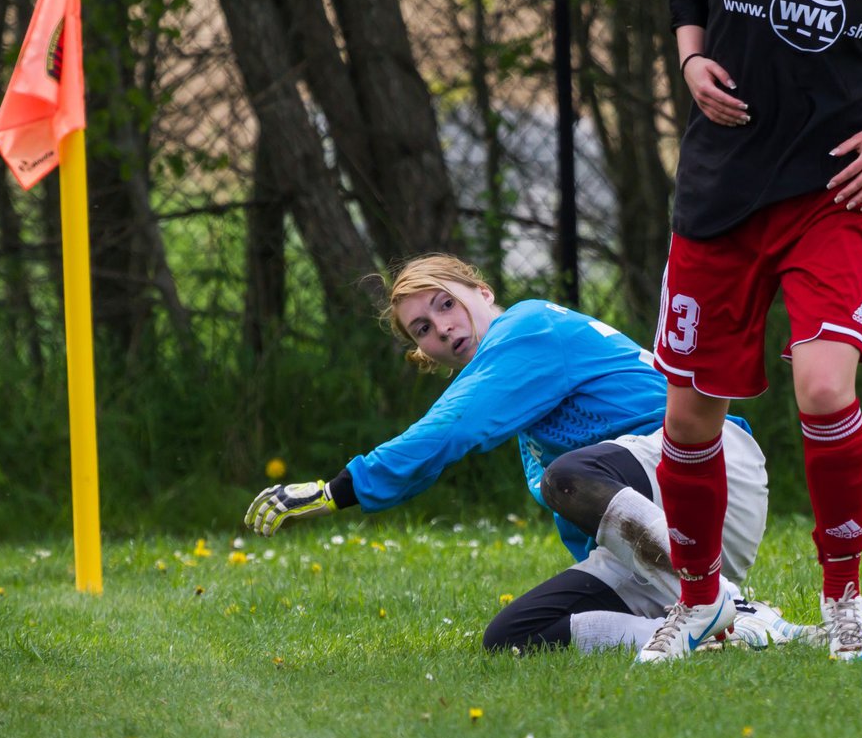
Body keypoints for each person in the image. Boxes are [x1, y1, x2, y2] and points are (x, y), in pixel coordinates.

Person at [243, 254, 816, 655]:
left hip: (705, 470)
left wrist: (337, 490)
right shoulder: (521, 398)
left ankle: (715, 600)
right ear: (420, 351)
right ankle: (728, 631)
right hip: (664, 521)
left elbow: (449, 430)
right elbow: (590, 512)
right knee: (517, 635)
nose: (441, 328)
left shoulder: (527, 326)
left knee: (567, 476)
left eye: (446, 304)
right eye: (422, 327)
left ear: (482, 292)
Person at [637, 0, 862, 662]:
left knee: (824, 387)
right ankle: (699, 600)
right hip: (722, 188)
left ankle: (844, 601)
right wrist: (692, 59)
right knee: (690, 419)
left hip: (838, 191)